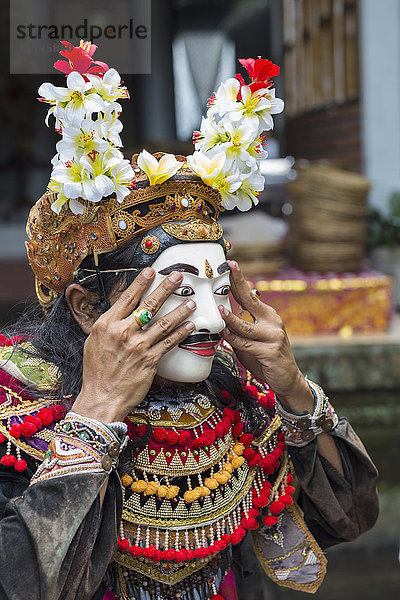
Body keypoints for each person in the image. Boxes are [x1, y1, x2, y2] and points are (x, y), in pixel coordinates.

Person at [0, 42, 378, 600]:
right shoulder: (17, 409)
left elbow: (348, 518)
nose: (207, 318)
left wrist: (294, 387)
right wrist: (96, 415)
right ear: (86, 308)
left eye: (220, 289)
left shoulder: (237, 397)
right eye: (178, 291)